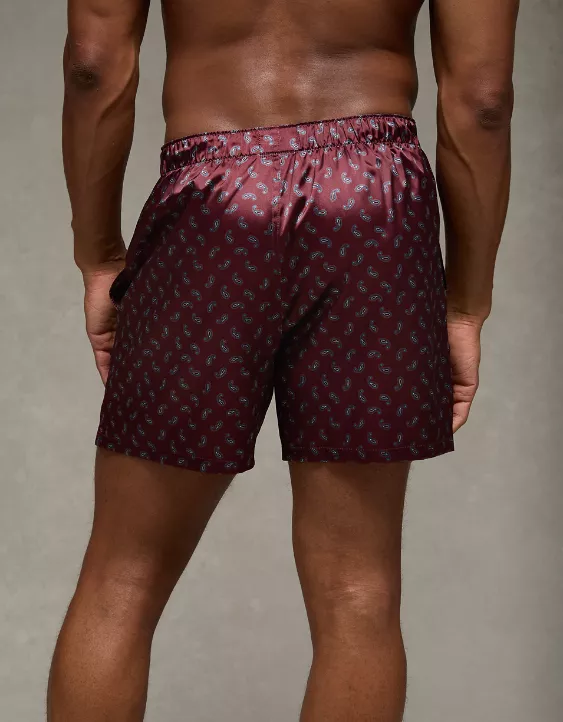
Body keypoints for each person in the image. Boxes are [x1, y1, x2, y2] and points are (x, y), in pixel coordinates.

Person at [48, 0, 519, 719]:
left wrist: (98, 254)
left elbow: (93, 64)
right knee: (358, 594)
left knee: (124, 579)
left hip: (212, 201)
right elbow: (482, 101)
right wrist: (466, 302)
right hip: (374, 208)